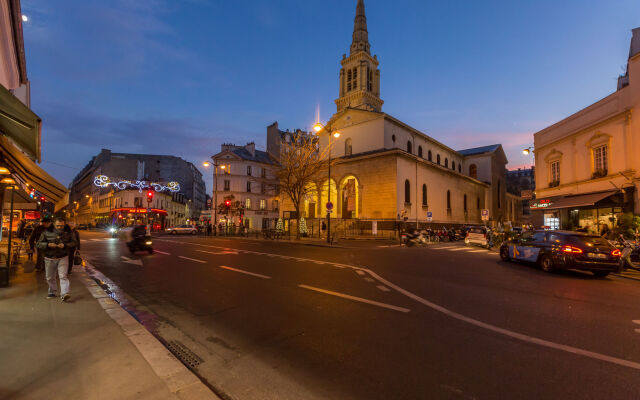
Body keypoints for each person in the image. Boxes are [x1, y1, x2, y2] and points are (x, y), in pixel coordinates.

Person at [37, 218, 77, 302]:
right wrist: (48, 245)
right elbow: (38, 244)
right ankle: (52, 292)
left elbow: (74, 242)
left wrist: (65, 245)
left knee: (63, 276)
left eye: (62, 226)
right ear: (54, 224)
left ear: (64, 224)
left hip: (63, 257)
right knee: (49, 277)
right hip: (49, 257)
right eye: (58, 225)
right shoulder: (46, 232)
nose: (60, 227)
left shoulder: (69, 232)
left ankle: (64, 294)